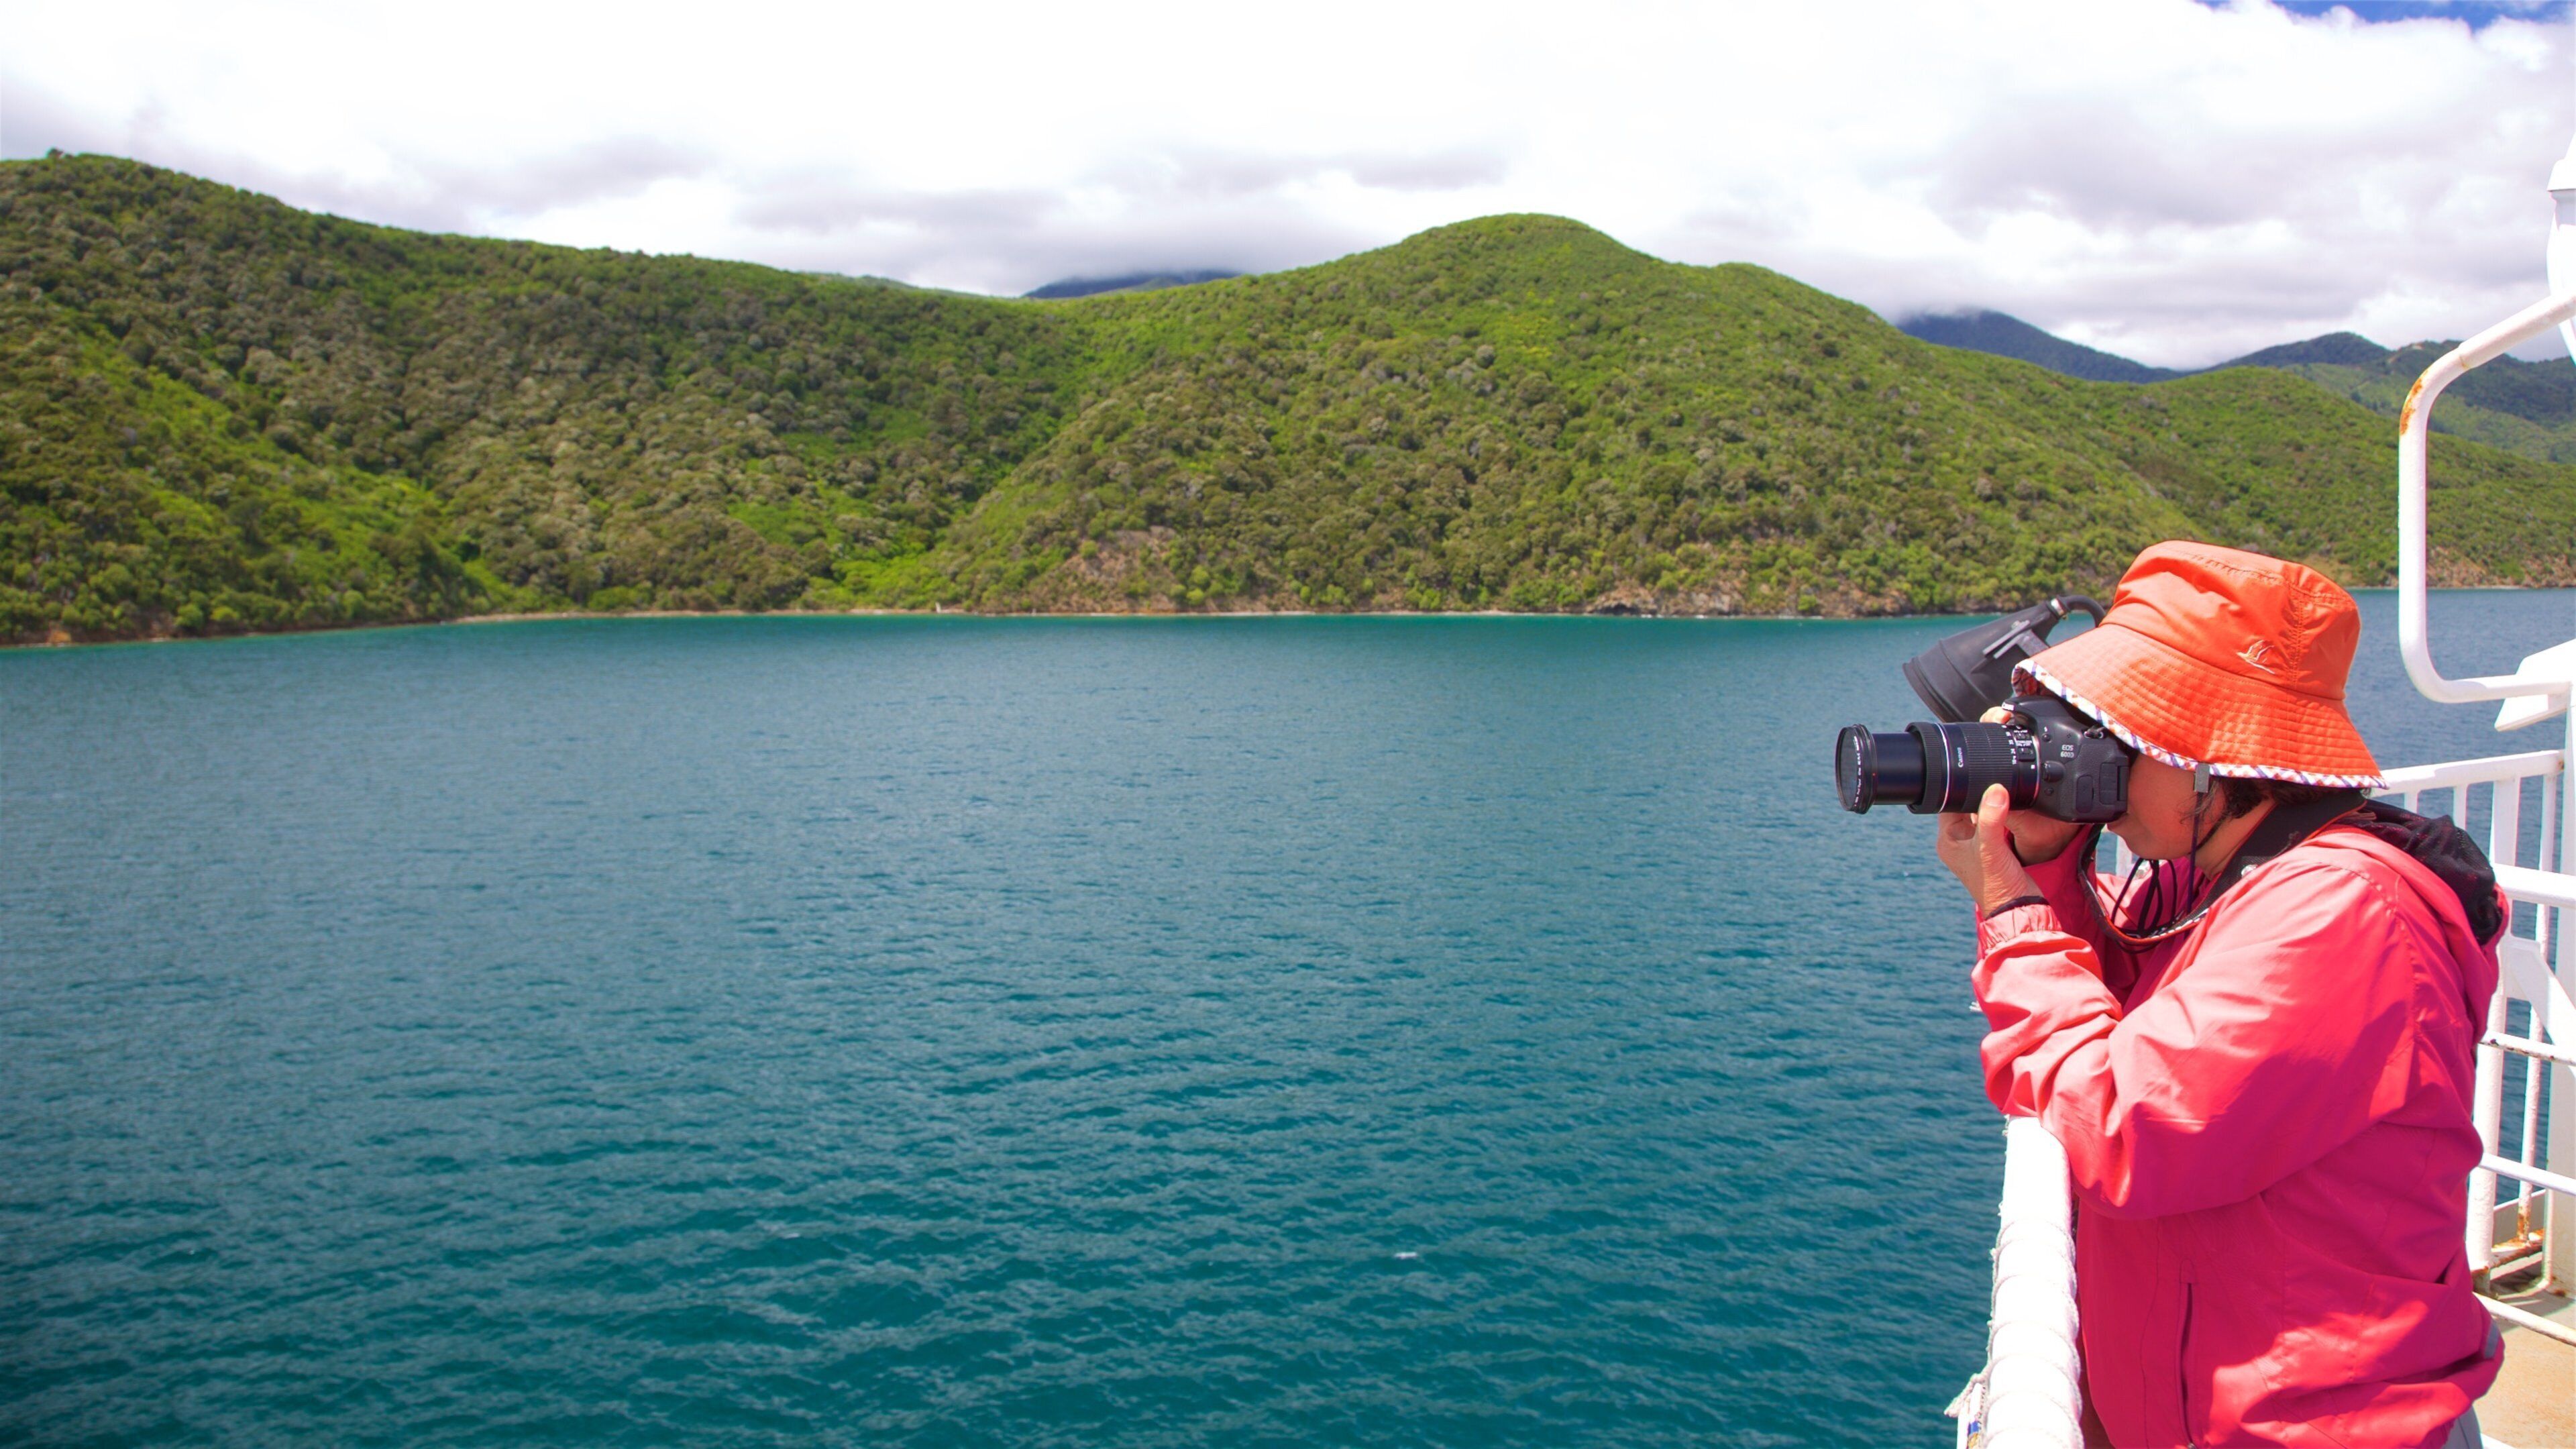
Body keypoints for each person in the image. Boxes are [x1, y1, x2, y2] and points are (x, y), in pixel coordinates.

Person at [1934, 541, 2505, 1448]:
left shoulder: (2340, 913)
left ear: (2211, 753)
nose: (2103, 761)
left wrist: (2010, 911)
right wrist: (2048, 868)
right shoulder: (2210, 876)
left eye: (2127, 731)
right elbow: (2114, 1000)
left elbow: (2126, 1124)